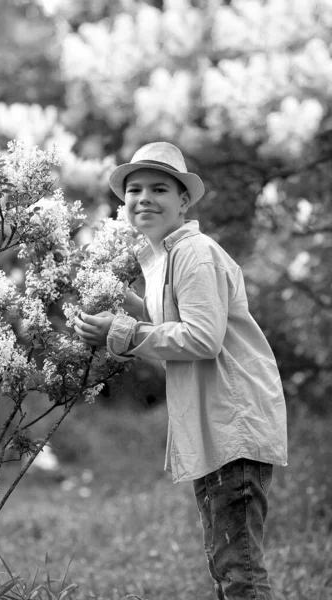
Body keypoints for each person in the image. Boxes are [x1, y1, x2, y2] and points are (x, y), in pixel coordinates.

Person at [74, 141, 287, 600]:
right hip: (217, 428)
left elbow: (201, 339)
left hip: (233, 425)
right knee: (228, 563)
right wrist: (123, 309)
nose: (144, 198)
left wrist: (125, 332)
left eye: (159, 189)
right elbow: (176, 326)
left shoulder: (193, 253)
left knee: (240, 569)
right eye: (134, 190)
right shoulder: (167, 258)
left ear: (184, 200)